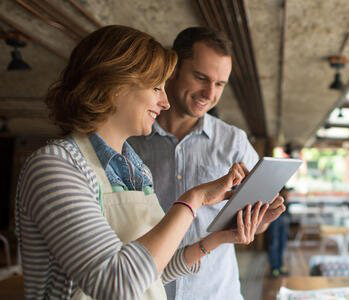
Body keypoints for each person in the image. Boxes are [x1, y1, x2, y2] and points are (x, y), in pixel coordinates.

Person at [14, 25, 269, 300]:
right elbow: (117, 284)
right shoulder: (54, 168)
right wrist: (193, 199)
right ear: (115, 86)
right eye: (156, 87)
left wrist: (221, 237)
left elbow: (151, 271)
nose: (164, 102)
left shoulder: (134, 167)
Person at [129, 27, 287, 300]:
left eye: (220, 84)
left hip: (214, 290)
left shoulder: (234, 142)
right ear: (174, 67)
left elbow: (255, 221)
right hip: (146, 288)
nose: (209, 93)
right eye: (201, 77)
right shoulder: (131, 139)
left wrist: (258, 221)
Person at [266, 187, 292, 277]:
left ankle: (280, 266)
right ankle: (274, 267)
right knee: (273, 242)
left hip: (284, 218)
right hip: (274, 219)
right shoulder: (275, 188)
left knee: (282, 243)